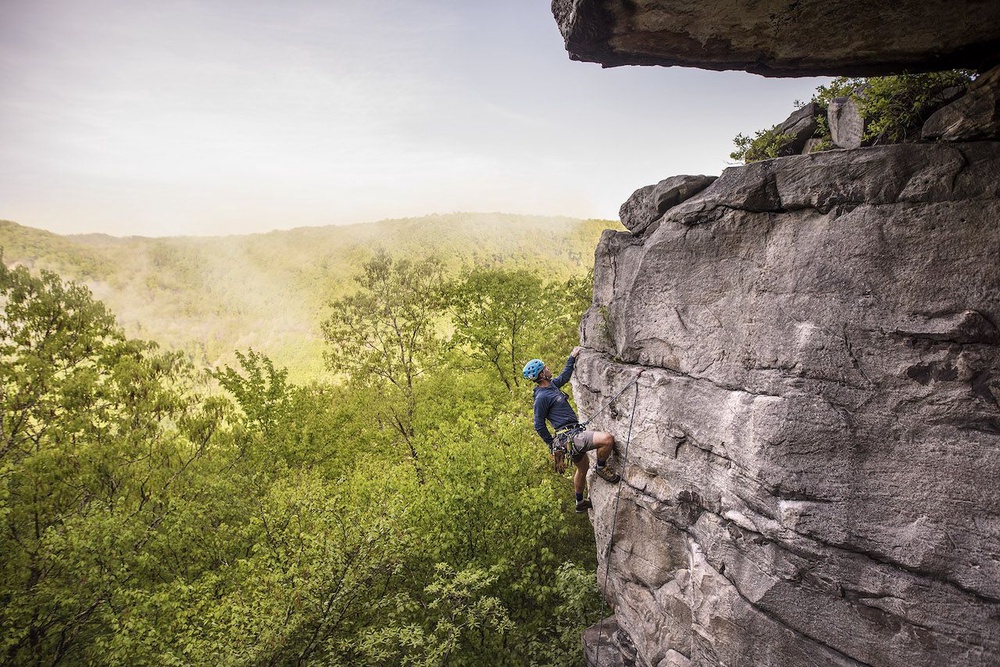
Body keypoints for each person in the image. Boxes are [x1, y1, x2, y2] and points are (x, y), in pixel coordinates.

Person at [523, 347, 620, 513]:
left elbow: (564, 376)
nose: (548, 368)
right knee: (607, 439)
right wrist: (553, 446)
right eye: (545, 368)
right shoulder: (541, 397)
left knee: (582, 469)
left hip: (570, 438)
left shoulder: (551, 386)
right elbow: (538, 424)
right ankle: (601, 467)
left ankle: (579, 502)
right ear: (541, 375)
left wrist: (572, 358)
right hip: (570, 438)